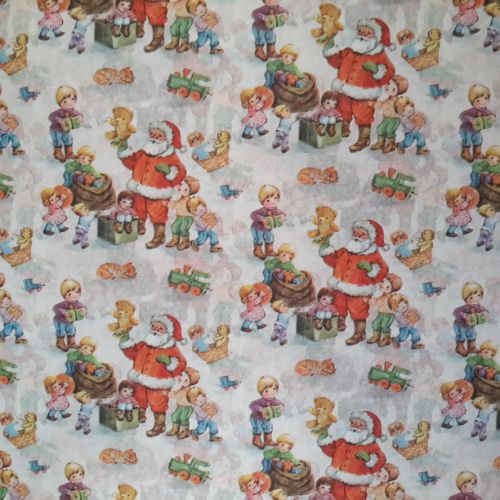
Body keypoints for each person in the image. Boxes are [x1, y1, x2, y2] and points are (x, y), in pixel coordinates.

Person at [323, 18, 395, 152]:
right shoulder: (349, 51)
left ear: (376, 37)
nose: (362, 35)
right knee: (343, 109)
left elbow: (389, 71)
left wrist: (376, 69)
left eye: (368, 33)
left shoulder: (379, 56)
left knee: (363, 115)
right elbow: (336, 61)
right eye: (361, 31)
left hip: (365, 93)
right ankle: (343, 129)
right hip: (344, 88)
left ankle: (364, 138)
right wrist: (330, 47)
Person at [118, 121, 187, 249]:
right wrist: (124, 150)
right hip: (139, 188)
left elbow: (181, 173)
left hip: (158, 193)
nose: (154, 138)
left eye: (159, 136)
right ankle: (139, 227)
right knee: (138, 209)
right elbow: (132, 162)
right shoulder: (144, 152)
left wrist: (169, 171)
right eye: (152, 134)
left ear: (167, 140)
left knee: (157, 214)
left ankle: (159, 236)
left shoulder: (171, 157)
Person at [320, 219, 389, 345]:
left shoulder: (373, 256)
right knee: (338, 305)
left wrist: (371, 269)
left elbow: (383, 270)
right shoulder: (346, 251)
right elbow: (332, 260)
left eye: (362, 234)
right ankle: (340, 323)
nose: (357, 236)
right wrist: (325, 248)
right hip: (339, 285)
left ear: (370, 239)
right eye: (355, 233)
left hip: (360, 290)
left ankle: (359, 333)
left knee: (358, 311)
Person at [119, 314, 187, 437]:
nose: (155, 330)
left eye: (160, 328)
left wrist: (169, 362)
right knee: (139, 397)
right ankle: (140, 415)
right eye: (153, 327)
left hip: (159, 382)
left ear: (168, 332)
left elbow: (181, 364)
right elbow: (132, 353)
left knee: (158, 403)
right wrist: (126, 341)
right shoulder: (144, 344)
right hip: (139, 378)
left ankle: (159, 425)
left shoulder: (171, 349)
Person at [318, 411, 387, 500]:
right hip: (337, 479)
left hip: (357, 482)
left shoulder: (372, 446)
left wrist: (369, 459)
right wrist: (324, 439)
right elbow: (331, 451)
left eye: (360, 425)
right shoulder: (343, 442)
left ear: (368, 429)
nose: (355, 426)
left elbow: (381, 460)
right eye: (353, 423)